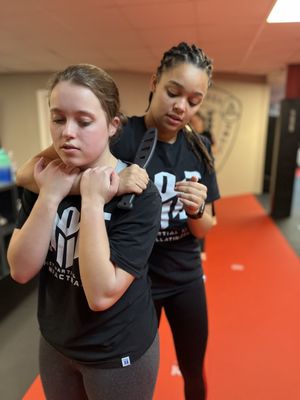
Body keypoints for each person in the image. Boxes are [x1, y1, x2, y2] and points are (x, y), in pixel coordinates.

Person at [16, 42, 220, 400]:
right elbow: (27, 174)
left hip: (182, 273)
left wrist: (197, 210)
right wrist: (102, 184)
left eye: (194, 100)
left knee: (193, 364)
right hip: (133, 275)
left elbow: (205, 228)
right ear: (155, 82)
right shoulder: (120, 132)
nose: (180, 106)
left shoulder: (199, 147)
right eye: (173, 92)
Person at [7, 64, 162, 400]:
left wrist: (93, 201)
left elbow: (101, 294)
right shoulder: (43, 180)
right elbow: (20, 270)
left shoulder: (139, 194)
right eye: (58, 118)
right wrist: (50, 194)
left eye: (84, 120)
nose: (67, 132)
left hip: (116, 351)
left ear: (112, 125)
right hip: (56, 341)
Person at [188, 111, 218, 261]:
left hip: (204, 173)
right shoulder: (186, 138)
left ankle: (202, 249)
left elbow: (215, 151)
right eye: (192, 122)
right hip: (191, 177)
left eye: (197, 121)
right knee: (193, 210)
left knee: (202, 212)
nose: (195, 124)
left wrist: (206, 151)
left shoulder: (205, 137)